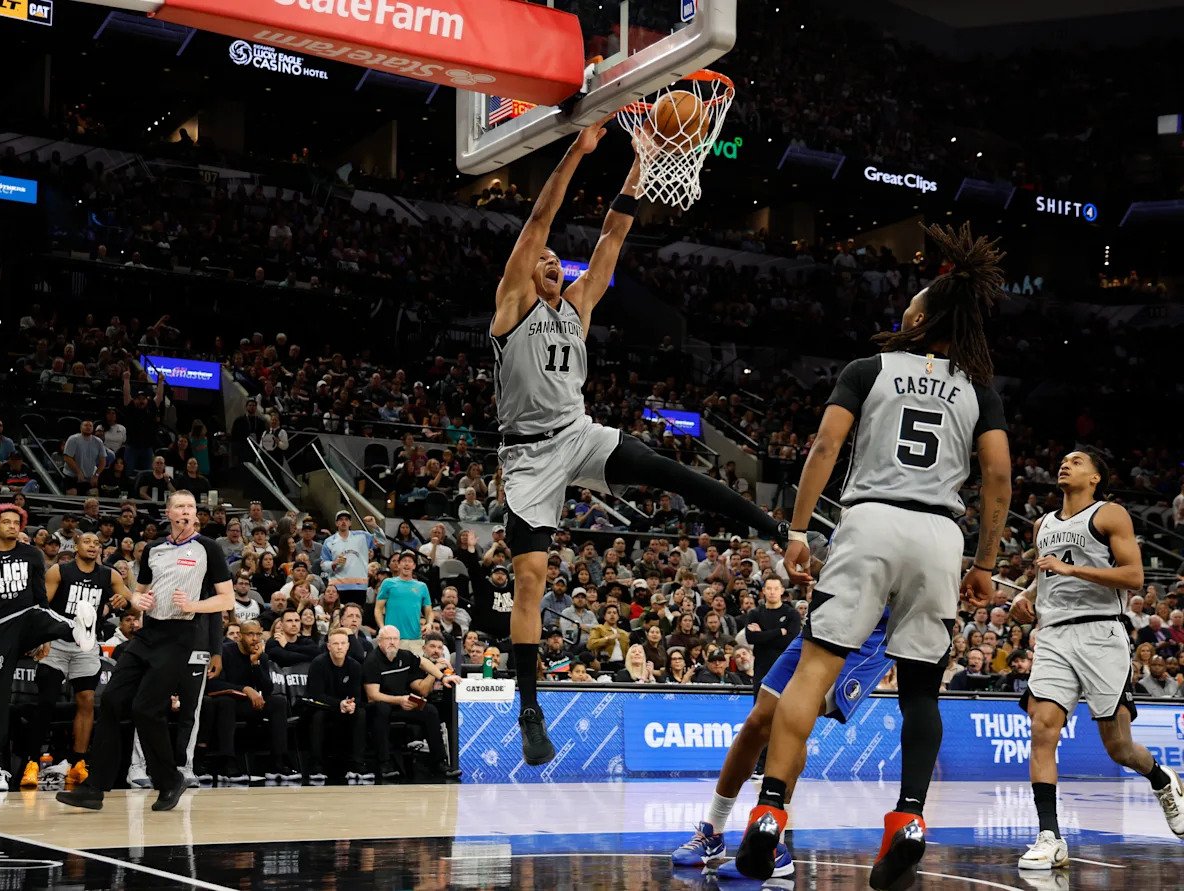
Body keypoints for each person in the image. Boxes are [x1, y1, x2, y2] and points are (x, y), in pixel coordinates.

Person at [492, 120, 787, 766]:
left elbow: (613, 233)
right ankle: (530, 706)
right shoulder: (512, 302)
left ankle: (764, 522)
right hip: (527, 454)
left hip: (576, 433)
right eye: (540, 257)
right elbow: (541, 216)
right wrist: (579, 149)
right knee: (531, 579)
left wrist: (642, 161)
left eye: (552, 260)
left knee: (663, 468)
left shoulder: (578, 305)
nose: (548, 259)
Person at [736, 223, 1013, 888]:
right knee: (920, 690)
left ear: (921, 318)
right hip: (941, 536)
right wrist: (985, 562)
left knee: (814, 669)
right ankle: (910, 818)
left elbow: (825, 449)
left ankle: (770, 810)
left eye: (909, 307)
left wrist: (799, 529)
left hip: (869, 522)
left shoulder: (868, 369)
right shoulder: (980, 390)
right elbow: (999, 477)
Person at [1008, 449, 1184, 870]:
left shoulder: (1110, 514)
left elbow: (1133, 576)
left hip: (1102, 632)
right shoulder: (1042, 524)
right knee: (1042, 729)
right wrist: (1025, 595)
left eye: (1077, 461)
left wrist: (1075, 573)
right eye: (1064, 460)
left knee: (1118, 747)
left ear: (1095, 478)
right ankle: (1049, 836)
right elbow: (1049, 572)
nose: (1066, 464)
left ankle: (1162, 780)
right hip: (1052, 636)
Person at [673, 609, 894, 881]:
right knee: (756, 722)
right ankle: (714, 831)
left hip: (867, 635)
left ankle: (771, 844)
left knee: (792, 714)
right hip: (824, 623)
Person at [57, 490, 233, 812]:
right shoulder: (154, 549)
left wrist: (193, 605)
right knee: (111, 699)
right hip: (147, 633)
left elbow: (227, 599)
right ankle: (94, 788)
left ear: (195, 515)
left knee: (145, 708)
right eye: (180, 506)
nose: (186, 511)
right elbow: (138, 594)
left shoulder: (208, 548)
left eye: (191, 507)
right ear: (168, 512)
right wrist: (138, 602)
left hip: (180, 635)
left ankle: (169, 780)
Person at [0, 504, 97, 791]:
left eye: (16, 522)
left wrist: (45, 636)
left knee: (49, 616)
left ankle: (77, 629)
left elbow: (41, 600)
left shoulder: (32, 554)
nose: (12, 526)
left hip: (29, 615)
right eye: (6, 522)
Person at [22, 532, 132, 789]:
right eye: (87, 542)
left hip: (86, 646)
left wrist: (124, 601)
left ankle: (78, 764)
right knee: (46, 701)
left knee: (86, 700)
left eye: (97, 543)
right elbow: (41, 607)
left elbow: (134, 603)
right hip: (57, 643)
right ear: (77, 546)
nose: (93, 546)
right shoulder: (59, 571)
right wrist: (43, 638)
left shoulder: (109, 575)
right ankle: (32, 763)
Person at [200, 619, 296, 783]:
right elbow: (213, 684)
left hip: (247, 704)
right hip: (224, 703)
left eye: (258, 634)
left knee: (278, 702)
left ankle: (277, 762)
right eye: (250, 634)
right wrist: (245, 688)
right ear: (239, 636)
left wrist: (256, 664)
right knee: (226, 702)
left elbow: (267, 690)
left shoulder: (260, 656)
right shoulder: (224, 652)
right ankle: (228, 762)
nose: (255, 638)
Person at [362, 626, 461, 781]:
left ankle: (439, 762)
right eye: (388, 639)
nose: (392, 643)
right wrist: (400, 699)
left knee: (430, 710)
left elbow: (424, 663)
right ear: (379, 641)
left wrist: (442, 677)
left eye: (395, 639)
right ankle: (385, 764)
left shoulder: (405, 656)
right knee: (381, 709)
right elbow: (372, 696)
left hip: (403, 703)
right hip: (381, 704)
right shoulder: (372, 661)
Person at [305, 628, 369, 783]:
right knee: (318, 716)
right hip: (320, 707)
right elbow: (315, 695)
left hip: (343, 707)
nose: (339, 647)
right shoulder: (318, 663)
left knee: (360, 713)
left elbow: (358, 696)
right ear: (328, 646)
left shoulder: (354, 666)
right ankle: (316, 765)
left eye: (342, 643)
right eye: (335, 644)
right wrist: (339, 703)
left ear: (348, 646)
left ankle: (357, 764)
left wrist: (351, 705)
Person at [373, 551, 432, 655]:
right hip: (392, 638)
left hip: (415, 638)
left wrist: (429, 623)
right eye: (404, 561)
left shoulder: (422, 586)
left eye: (410, 561)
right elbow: (378, 609)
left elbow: (429, 610)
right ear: (399, 564)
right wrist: (383, 628)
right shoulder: (388, 583)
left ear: (414, 566)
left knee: (415, 670)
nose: (407, 563)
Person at [320, 510, 375, 607]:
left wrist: (374, 526)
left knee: (357, 615)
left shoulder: (362, 536)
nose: (343, 522)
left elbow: (381, 541)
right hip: (338, 587)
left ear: (350, 523)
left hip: (359, 587)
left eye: (346, 519)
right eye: (340, 520)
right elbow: (323, 564)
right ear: (336, 523)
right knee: (339, 615)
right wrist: (334, 563)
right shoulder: (329, 541)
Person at [63, 420, 107, 496]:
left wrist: (96, 475)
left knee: (93, 498)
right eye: (86, 425)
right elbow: (67, 458)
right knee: (72, 495)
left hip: (90, 475)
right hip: (72, 475)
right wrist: (78, 471)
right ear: (81, 428)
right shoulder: (73, 439)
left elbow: (103, 460)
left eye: (90, 426)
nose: (88, 427)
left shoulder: (98, 441)